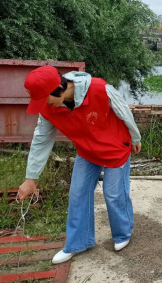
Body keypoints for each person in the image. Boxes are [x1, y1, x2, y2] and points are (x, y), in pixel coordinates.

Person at [17, 66, 142, 264]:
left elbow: (124, 111)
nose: (46, 104)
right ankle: (78, 243)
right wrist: (31, 177)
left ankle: (122, 233)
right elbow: (41, 140)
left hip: (115, 148)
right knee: (77, 194)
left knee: (114, 194)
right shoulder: (48, 109)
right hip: (87, 152)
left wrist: (135, 137)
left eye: (46, 98)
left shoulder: (100, 89)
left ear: (59, 87)